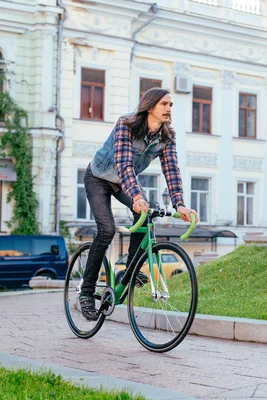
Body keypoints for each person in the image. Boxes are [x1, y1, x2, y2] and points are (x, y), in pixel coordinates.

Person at [80, 87, 199, 321]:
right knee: (107, 230)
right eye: (164, 104)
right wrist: (136, 196)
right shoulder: (127, 124)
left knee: (148, 215)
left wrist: (180, 205)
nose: (169, 109)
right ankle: (86, 292)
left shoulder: (167, 136)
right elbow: (124, 164)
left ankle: (131, 271)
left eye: (171, 105)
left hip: (125, 182)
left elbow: (171, 170)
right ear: (150, 105)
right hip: (99, 177)